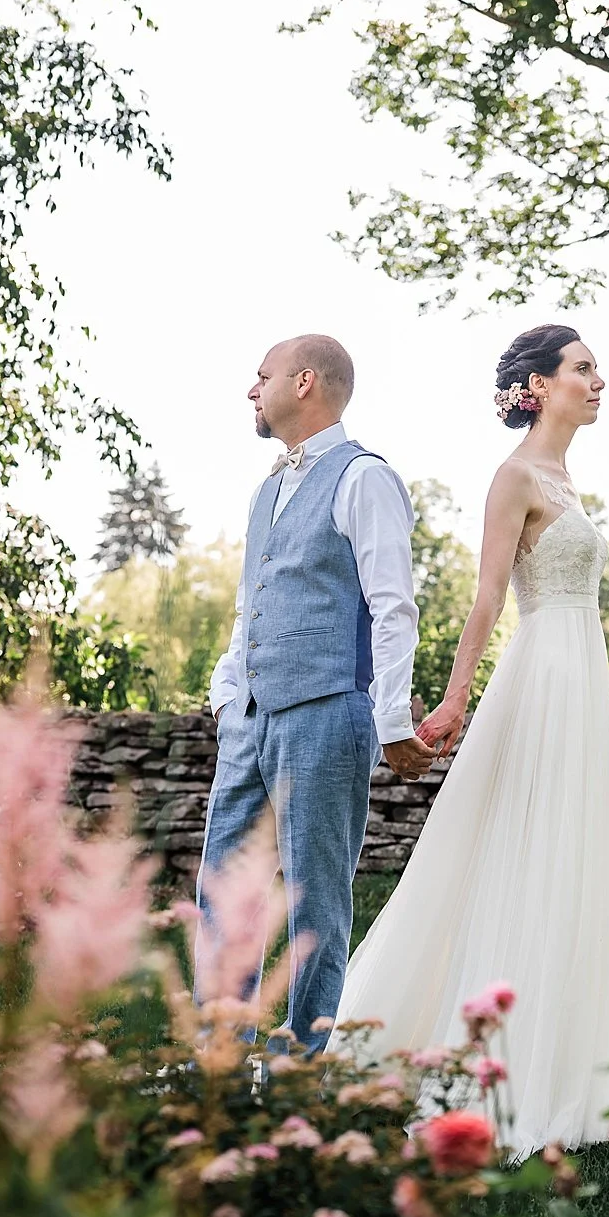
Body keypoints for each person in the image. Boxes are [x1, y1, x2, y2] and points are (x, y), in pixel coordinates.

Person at [334, 322, 609, 1153]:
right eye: (583, 369)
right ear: (539, 386)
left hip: (581, 672)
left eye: (596, 368)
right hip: (543, 673)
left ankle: (571, 1052)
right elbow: (486, 599)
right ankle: (496, 1056)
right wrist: (452, 700)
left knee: (571, 848)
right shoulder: (514, 476)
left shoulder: (566, 478)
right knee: (524, 844)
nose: (598, 381)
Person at [197, 333, 434, 1051]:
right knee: (221, 895)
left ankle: (301, 1061)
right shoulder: (266, 489)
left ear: (303, 383)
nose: (250, 390)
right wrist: (225, 695)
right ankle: (223, 1059)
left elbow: (393, 605)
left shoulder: (364, 478)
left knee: (314, 900)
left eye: (260, 376)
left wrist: (392, 716)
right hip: (250, 720)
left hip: (328, 714)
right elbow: (253, 606)